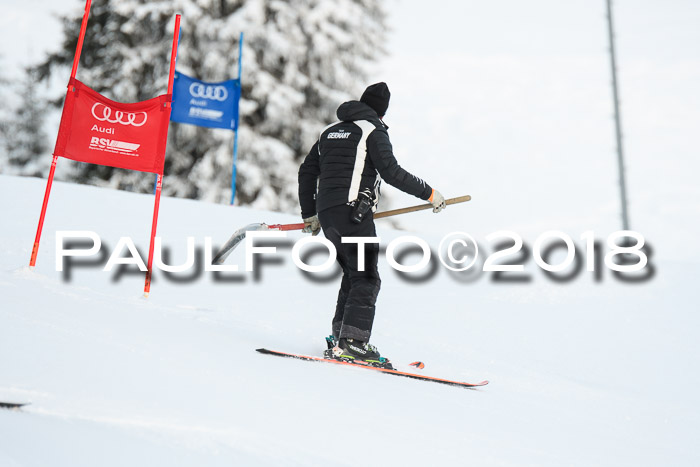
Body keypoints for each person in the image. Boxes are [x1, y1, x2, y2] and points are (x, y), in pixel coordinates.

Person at [297, 82, 446, 366]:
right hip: (353, 211)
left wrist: (310, 212)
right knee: (366, 277)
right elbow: (391, 171)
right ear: (381, 111)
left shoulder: (329, 131)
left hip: (329, 214)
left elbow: (307, 172)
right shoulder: (372, 130)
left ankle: (341, 338)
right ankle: (353, 343)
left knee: (354, 275)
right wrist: (429, 193)